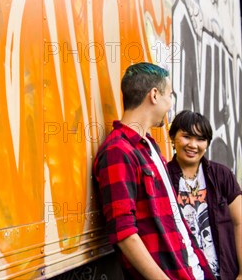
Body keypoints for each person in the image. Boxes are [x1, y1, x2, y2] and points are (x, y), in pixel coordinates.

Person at [93, 62, 215, 280]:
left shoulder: (149, 146)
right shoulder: (117, 152)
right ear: (154, 95)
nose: (170, 104)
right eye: (169, 95)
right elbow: (124, 233)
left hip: (192, 272)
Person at [167, 110, 242, 280]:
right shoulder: (163, 177)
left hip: (224, 274)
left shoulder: (221, 175)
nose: (193, 145)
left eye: (201, 139)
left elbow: (240, 223)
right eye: (187, 136)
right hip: (183, 274)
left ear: (207, 143)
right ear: (172, 137)